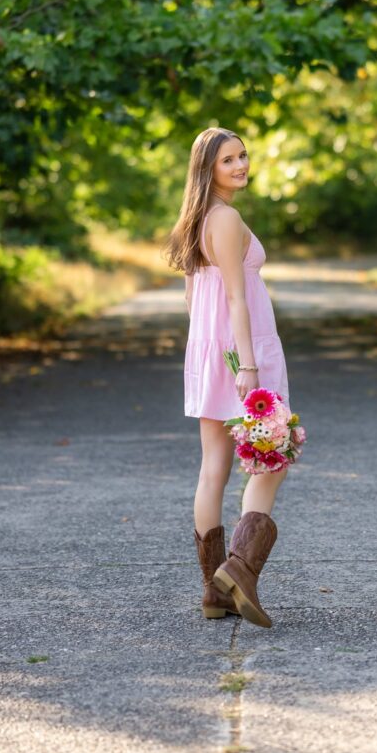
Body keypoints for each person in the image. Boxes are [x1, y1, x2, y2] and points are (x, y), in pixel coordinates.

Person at [163, 127, 291, 628]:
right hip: (245, 352)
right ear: (208, 169)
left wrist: (215, 355)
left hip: (208, 352)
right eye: (228, 160)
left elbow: (194, 301)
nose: (240, 165)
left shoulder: (194, 221)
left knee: (214, 464)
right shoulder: (229, 218)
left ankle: (213, 592)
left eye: (243, 156)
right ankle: (238, 571)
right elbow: (237, 298)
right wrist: (249, 365)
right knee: (272, 458)